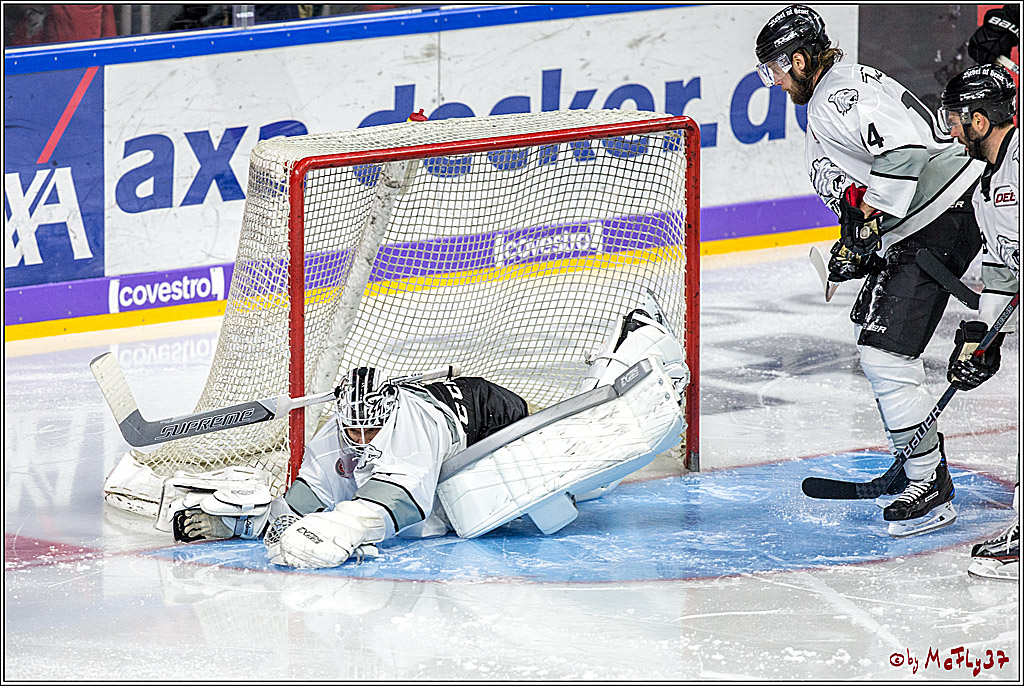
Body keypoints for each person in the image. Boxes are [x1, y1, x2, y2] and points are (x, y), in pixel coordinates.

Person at [754, 5, 986, 537]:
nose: (775, 80)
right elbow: (864, 182)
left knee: (885, 351)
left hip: (939, 217)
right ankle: (920, 464)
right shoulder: (835, 91)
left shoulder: (839, 95)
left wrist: (868, 227)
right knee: (879, 347)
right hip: (929, 218)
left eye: (776, 69)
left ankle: (930, 483)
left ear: (798, 59)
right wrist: (857, 232)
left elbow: (902, 152)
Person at [939, 64, 1019, 581]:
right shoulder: (988, 179)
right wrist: (983, 340)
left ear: (981, 119)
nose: (950, 129)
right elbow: (1003, 268)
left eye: (955, 119)